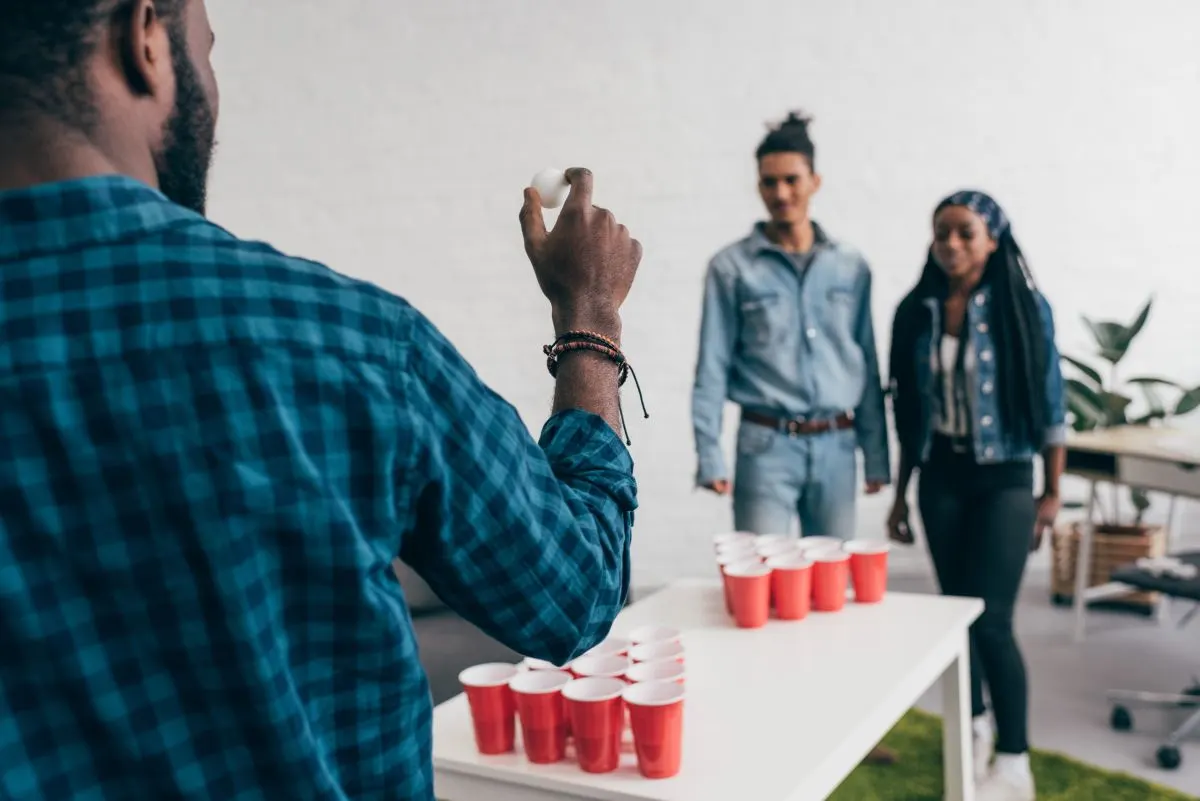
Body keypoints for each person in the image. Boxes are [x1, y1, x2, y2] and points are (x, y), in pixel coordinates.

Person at [0, 2, 642, 799]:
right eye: (206, 45)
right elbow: (573, 588)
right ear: (144, 41)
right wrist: (591, 319)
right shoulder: (346, 343)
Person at [887, 190, 1066, 801]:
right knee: (956, 616)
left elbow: (1050, 404)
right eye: (942, 233)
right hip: (942, 478)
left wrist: (1052, 492)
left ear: (993, 238)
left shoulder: (1024, 306)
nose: (952, 244)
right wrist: (901, 495)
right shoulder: (918, 310)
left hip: (1007, 478)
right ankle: (975, 727)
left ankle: (1016, 762)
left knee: (993, 621)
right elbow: (909, 413)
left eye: (965, 232)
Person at [691, 111, 890, 540]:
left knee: (832, 588)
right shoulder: (731, 268)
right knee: (764, 579)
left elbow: (867, 363)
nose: (781, 193)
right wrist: (709, 456)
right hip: (765, 448)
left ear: (814, 181)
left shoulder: (851, 267)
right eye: (769, 182)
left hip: (838, 446)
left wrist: (876, 456)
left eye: (792, 180)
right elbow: (711, 366)